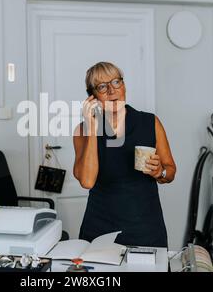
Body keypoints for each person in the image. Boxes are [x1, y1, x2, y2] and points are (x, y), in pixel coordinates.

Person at [73, 61, 177, 248]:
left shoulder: (150, 122)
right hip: (100, 228)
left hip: (146, 227)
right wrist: (92, 126)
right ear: (92, 97)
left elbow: (170, 172)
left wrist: (159, 172)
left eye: (116, 82)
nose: (112, 91)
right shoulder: (83, 131)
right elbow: (87, 181)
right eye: (102, 86)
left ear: (124, 85)